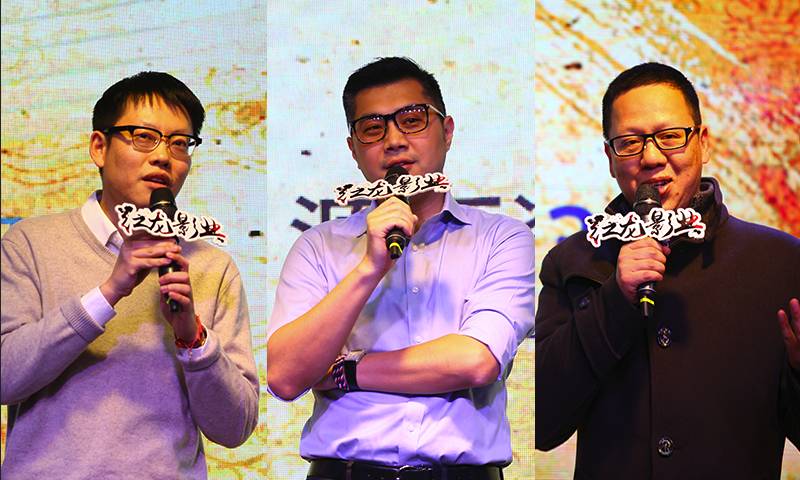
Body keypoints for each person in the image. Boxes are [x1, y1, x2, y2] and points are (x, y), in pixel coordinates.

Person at [267, 57, 534, 479]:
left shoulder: (503, 237)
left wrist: (345, 370)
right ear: (353, 149)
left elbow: (477, 360)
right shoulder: (318, 246)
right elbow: (285, 377)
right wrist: (369, 268)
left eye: (412, 121)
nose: (394, 141)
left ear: (447, 131)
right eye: (373, 128)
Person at [535, 62, 800, 479]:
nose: (652, 158)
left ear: (703, 143)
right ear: (610, 158)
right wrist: (613, 301)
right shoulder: (573, 262)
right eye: (630, 142)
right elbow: (542, 425)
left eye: (670, 136)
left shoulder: (780, 261)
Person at [1, 72, 259, 479]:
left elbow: (235, 428)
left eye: (179, 143)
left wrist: (192, 337)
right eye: (144, 137)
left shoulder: (211, 267)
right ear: (99, 147)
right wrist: (108, 292)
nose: (164, 157)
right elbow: (5, 377)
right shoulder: (30, 243)